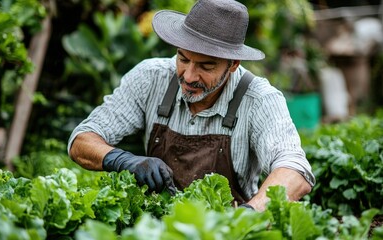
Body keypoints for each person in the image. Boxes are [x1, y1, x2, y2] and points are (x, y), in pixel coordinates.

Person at [68, 0, 315, 211]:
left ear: (233, 64)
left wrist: (250, 214)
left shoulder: (259, 99)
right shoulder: (150, 78)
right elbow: (81, 140)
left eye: (206, 66)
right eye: (183, 58)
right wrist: (123, 160)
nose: (188, 76)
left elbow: (294, 171)